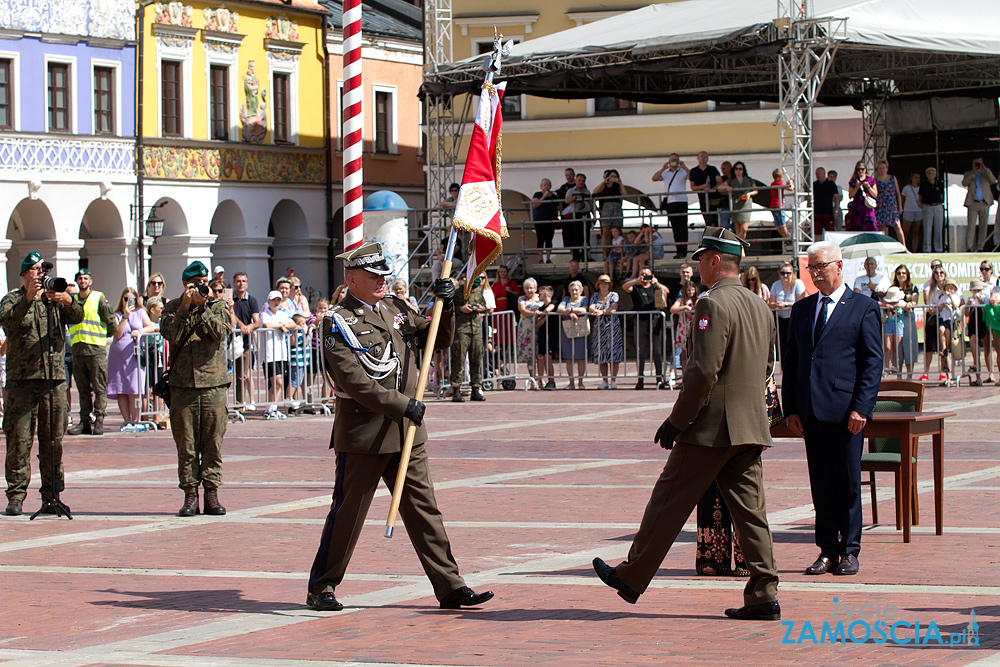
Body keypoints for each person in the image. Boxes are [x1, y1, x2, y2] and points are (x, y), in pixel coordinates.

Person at [592, 227, 780, 621]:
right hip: (749, 424)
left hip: (711, 427)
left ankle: (631, 576)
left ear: (715, 260)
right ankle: (764, 593)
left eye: (701, 260)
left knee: (668, 499)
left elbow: (702, 372)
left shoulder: (713, 304)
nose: (699, 267)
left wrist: (677, 421)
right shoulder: (761, 305)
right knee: (751, 513)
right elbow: (766, 368)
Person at [306, 242, 492, 613]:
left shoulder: (395, 309)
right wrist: (403, 405)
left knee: (425, 511)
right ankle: (322, 587)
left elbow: (437, 338)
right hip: (365, 434)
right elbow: (354, 381)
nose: (381, 282)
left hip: (407, 432)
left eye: (383, 276)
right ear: (351, 278)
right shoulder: (338, 320)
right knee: (348, 515)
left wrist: (447, 305)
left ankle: (450, 585)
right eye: (373, 276)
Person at [783, 241, 882, 577]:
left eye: (820, 266)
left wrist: (862, 408)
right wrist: (790, 408)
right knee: (821, 485)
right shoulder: (802, 309)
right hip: (811, 412)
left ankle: (850, 551)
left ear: (838, 266)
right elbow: (793, 362)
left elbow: (872, 363)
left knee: (848, 483)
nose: (815, 273)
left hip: (846, 412)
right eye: (810, 268)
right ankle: (827, 549)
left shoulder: (863, 308)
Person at [2, 252, 85, 516]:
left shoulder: (55, 300)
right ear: (24, 274)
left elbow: (78, 316)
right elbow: (7, 322)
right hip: (22, 381)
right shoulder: (13, 299)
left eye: (42, 269)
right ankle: (16, 495)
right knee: (19, 440)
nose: (40, 274)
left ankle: (52, 494)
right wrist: (28, 298)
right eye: (35, 270)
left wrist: (68, 300)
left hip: (53, 378)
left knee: (52, 440)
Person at [159, 261, 234, 517]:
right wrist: (185, 307)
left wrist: (203, 310)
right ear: (185, 285)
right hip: (182, 387)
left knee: (213, 442)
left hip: (213, 385)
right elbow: (169, 333)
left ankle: (212, 493)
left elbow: (220, 333)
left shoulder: (218, 306)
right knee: (186, 445)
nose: (201, 287)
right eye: (195, 283)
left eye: (204, 282)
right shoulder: (172, 307)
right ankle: (190, 495)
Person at [66, 268, 116, 436]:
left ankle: (99, 420)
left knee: (99, 387)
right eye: (80, 278)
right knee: (82, 389)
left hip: (95, 350)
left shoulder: (98, 298)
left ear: (90, 281)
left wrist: (103, 337)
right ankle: (84, 422)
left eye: (85, 278)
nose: (82, 281)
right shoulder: (72, 300)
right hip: (78, 350)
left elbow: (111, 322)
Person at [107, 287, 156, 425]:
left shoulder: (140, 312)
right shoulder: (117, 314)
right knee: (121, 389)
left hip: (134, 356)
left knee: (135, 388)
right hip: (118, 356)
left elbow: (150, 327)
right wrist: (125, 316)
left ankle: (135, 420)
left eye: (132, 299)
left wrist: (139, 331)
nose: (129, 302)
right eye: (126, 299)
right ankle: (127, 421)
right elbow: (117, 334)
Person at [623, 270, 667, 389]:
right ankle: (640, 379)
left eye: (647, 274)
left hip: (655, 321)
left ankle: (659, 378)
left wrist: (657, 283)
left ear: (652, 275)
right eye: (642, 274)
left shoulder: (655, 287)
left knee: (657, 351)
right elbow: (625, 287)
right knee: (641, 351)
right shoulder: (636, 287)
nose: (644, 276)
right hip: (640, 321)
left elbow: (666, 291)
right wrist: (637, 280)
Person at [450, 274, 488, 402]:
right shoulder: (458, 291)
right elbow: (448, 308)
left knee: (476, 358)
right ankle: (456, 389)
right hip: (462, 329)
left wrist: (480, 308)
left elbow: (484, 304)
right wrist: (461, 308)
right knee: (458, 358)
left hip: (476, 329)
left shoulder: (477, 291)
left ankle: (476, 389)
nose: (473, 289)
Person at [261, 290, 295, 417]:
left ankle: (272, 408)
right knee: (277, 382)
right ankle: (269, 408)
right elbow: (266, 324)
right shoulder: (265, 313)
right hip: (269, 354)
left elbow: (293, 323)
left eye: (278, 300)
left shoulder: (282, 314)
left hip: (281, 353)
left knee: (279, 383)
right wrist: (280, 326)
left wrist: (283, 324)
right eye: (274, 300)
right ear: (269, 301)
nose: (276, 302)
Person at [231, 272, 261, 408]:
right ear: (233, 284)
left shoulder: (252, 300)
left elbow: (257, 322)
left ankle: (239, 404)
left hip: (245, 343)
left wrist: (248, 327)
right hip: (229, 342)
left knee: (242, 375)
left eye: (243, 281)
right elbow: (229, 314)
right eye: (238, 281)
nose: (241, 283)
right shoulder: (229, 299)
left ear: (247, 283)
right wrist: (241, 325)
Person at [652, 153, 690, 257]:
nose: (673, 162)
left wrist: (684, 167)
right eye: (672, 160)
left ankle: (683, 251)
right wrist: (662, 168)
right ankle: (678, 251)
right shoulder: (665, 172)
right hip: (670, 203)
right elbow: (654, 178)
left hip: (681, 201)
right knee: (675, 228)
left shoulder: (682, 171)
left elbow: (691, 177)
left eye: (675, 160)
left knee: (683, 228)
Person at [589, 275, 622, 389]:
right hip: (599, 328)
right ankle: (604, 380)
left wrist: (602, 312)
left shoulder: (614, 295)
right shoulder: (594, 295)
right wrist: (596, 311)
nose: (604, 285)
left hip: (612, 327)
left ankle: (613, 380)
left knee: (614, 354)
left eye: (606, 283)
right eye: (602, 283)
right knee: (601, 354)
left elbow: (613, 308)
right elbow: (591, 308)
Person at [768, 262, 806, 360]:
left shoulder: (798, 283)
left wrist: (785, 304)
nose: (785, 276)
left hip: (795, 319)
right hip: (781, 320)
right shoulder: (776, 285)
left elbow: (802, 303)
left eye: (788, 273)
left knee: (796, 344)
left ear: (792, 273)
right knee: (783, 346)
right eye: (783, 273)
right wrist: (776, 305)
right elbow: (770, 304)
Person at [558, 280, 589, 389]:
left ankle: (580, 382)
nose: (574, 292)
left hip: (580, 330)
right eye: (572, 290)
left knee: (581, 357)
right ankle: (571, 382)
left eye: (576, 290)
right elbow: (560, 308)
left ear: (580, 291)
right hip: (567, 331)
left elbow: (584, 309)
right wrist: (570, 313)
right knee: (569, 358)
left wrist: (571, 309)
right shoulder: (566, 299)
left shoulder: (584, 299)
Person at [920, 261, 947, 381]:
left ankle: (943, 371)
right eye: (934, 270)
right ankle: (926, 371)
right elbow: (926, 299)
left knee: (944, 345)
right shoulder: (929, 284)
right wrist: (932, 308)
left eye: (940, 270)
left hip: (944, 317)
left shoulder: (948, 284)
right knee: (929, 346)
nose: (938, 273)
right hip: (933, 317)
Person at [963, 157, 997, 252]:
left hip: (984, 203)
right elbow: (964, 182)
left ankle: (980, 247)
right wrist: (974, 173)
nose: (977, 165)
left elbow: (993, 181)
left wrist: (985, 169)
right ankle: (969, 247)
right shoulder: (969, 173)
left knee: (983, 225)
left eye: (979, 163)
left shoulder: (986, 173)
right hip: (973, 203)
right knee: (971, 225)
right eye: (976, 163)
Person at [891, 265, 919, 378]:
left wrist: (910, 304)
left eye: (903, 273)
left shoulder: (912, 287)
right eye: (899, 273)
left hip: (908, 317)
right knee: (898, 347)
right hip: (896, 318)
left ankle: (909, 374)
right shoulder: (893, 288)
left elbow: (915, 301)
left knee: (909, 345)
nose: (901, 275)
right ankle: (899, 374)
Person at [935, 278, 963, 387]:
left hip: (951, 321)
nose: (949, 290)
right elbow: (938, 309)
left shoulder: (955, 297)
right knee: (941, 330)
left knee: (947, 334)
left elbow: (956, 307)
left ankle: (951, 376)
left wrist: (951, 298)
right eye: (947, 288)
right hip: (943, 319)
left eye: (951, 288)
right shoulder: (942, 297)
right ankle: (943, 347)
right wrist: (941, 306)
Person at [593, 169, 627, 259]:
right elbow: (595, 192)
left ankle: (616, 252)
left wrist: (620, 183)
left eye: (615, 176)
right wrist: (604, 181)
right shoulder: (604, 186)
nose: (613, 178)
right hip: (606, 209)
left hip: (616, 208)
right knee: (606, 232)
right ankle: (605, 254)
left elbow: (625, 195)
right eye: (611, 176)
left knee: (616, 231)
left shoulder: (617, 186)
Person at [719, 161, 757, 239]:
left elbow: (756, 190)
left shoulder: (749, 179)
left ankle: (740, 244)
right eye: (736, 169)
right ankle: (739, 245)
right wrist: (727, 187)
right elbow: (720, 187)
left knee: (744, 228)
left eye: (740, 169)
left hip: (746, 204)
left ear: (743, 170)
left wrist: (750, 194)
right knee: (737, 228)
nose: (738, 171)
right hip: (736, 203)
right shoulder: (732, 180)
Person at [964, 277, 991, 386]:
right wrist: (968, 305)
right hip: (973, 323)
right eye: (974, 290)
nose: (976, 292)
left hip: (983, 322)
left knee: (987, 348)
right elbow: (966, 313)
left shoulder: (984, 298)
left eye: (978, 290)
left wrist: (980, 301)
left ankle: (991, 374)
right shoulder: (969, 299)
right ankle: (978, 376)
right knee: (975, 350)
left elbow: (986, 310)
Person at [874, 161, 905, 248]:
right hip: (881, 205)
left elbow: (898, 193)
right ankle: (885, 247)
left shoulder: (892, 178)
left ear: (887, 169)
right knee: (882, 228)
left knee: (897, 226)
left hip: (891, 204)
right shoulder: (876, 180)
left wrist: (900, 206)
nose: (882, 170)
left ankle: (904, 247)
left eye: (883, 168)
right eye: (880, 168)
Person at [669, 280, 698, 373]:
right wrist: (684, 307)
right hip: (683, 329)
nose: (691, 292)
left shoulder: (697, 300)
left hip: (693, 328)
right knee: (684, 354)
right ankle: (684, 377)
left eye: (692, 290)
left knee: (694, 353)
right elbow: (673, 309)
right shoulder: (681, 300)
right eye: (689, 290)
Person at [563, 172, 593, 261]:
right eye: (579, 180)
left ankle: (585, 256)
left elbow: (591, 203)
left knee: (586, 236)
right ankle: (576, 257)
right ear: (576, 180)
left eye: (582, 181)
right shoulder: (571, 191)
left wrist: (594, 215)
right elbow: (567, 200)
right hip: (576, 215)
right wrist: (575, 197)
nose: (581, 182)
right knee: (576, 236)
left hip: (586, 215)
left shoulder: (587, 191)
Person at [688, 151, 723, 227]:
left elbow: (720, 182)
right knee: (708, 220)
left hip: (714, 199)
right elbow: (693, 187)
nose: (703, 158)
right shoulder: (694, 171)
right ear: (698, 158)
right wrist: (703, 187)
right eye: (701, 156)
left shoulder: (713, 169)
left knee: (715, 220)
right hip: (702, 199)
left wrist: (711, 189)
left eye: (705, 156)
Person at [531, 179, 560, 264]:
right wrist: (544, 196)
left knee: (549, 239)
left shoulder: (553, 196)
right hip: (540, 221)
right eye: (544, 185)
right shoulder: (538, 194)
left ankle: (548, 258)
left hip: (550, 221)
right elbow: (535, 205)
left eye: (548, 185)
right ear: (541, 186)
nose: (546, 187)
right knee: (540, 239)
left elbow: (557, 206)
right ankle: (540, 258)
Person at [918, 166, 945, 253]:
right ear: (926, 175)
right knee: (927, 228)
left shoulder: (939, 184)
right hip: (927, 206)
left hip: (937, 206)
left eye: (932, 173)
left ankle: (938, 248)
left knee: (938, 228)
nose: (931, 175)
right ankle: (927, 249)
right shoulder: (923, 185)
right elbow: (920, 197)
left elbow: (941, 196)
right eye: (929, 173)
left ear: (935, 174)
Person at [847, 162, 878, 231]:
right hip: (857, 208)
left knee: (871, 227)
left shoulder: (870, 180)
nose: (860, 171)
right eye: (858, 169)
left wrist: (868, 187)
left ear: (865, 170)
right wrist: (857, 187)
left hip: (868, 208)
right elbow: (850, 196)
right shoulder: (853, 181)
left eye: (862, 169)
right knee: (856, 228)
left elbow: (875, 194)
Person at [880, 286, 905, 374]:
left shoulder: (901, 302)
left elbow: (906, 305)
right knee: (887, 346)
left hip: (898, 324)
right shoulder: (886, 303)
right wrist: (885, 306)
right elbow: (877, 303)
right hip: (888, 324)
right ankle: (886, 367)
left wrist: (899, 305)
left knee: (896, 346)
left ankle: (894, 364)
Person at [899, 172, 923, 253]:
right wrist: (901, 208)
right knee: (905, 231)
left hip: (918, 211)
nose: (917, 179)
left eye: (918, 178)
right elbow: (902, 199)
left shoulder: (921, 188)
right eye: (915, 177)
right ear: (912, 178)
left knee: (916, 232)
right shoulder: (906, 188)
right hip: (908, 211)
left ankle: (914, 250)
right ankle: (903, 248)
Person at [813, 167, 838, 239]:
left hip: (828, 211)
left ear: (823, 174)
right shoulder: (814, 184)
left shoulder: (831, 184)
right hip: (817, 211)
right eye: (816, 174)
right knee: (817, 232)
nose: (817, 176)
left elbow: (836, 198)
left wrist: (836, 211)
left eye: (818, 174)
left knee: (830, 231)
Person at [769, 168, 792, 238]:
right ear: (779, 178)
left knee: (777, 224)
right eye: (782, 177)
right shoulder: (779, 183)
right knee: (782, 223)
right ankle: (786, 237)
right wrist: (790, 182)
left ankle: (783, 237)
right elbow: (791, 188)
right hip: (779, 205)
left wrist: (786, 184)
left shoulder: (772, 184)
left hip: (773, 206)